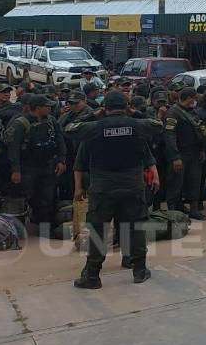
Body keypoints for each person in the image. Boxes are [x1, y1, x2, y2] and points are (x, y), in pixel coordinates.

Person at [67, 90, 163, 289]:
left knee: (98, 230)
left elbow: (70, 129)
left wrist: (93, 115)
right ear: (126, 106)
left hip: (103, 186)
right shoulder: (138, 125)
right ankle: (139, 270)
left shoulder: (94, 127)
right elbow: (157, 124)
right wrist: (134, 113)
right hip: (132, 185)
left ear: (105, 108)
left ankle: (92, 275)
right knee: (135, 227)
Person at [6, 94, 66, 233]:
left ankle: (44, 230)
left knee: (46, 199)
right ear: (38, 108)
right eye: (46, 106)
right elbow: (13, 148)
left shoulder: (51, 121)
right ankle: (20, 231)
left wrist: (62, 160)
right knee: (22, 199)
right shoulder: (20, 123)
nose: (50, 108)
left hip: (47, 166)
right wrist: (16, 170)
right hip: (27, 168)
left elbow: (60, 140)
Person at [164, 88, 206, 220]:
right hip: (180, 154)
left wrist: (202, 149)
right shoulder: (173, 113)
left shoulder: (193, 112)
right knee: (176, 182)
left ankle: (193, 209)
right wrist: (175, 157)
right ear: (188, 98)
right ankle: (173, 210)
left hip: (194, 153)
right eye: (194, 98)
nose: (195, 101)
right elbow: (169, 136)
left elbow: (199, 133)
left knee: (194, 181)